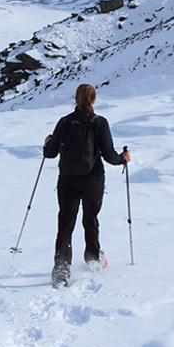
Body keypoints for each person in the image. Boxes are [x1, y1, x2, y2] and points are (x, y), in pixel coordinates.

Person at [42, 83, 130, 287]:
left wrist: (47, 142)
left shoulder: (64, 123)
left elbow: (50, 153)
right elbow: (109, 155)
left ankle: (61, 269)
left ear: (76, 99)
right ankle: (93, 258)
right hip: (93, 180)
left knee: (65, 224)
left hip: (67, 180)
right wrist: (123, 159)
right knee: (90, 219)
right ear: (94, 100)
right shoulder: (100, 122)